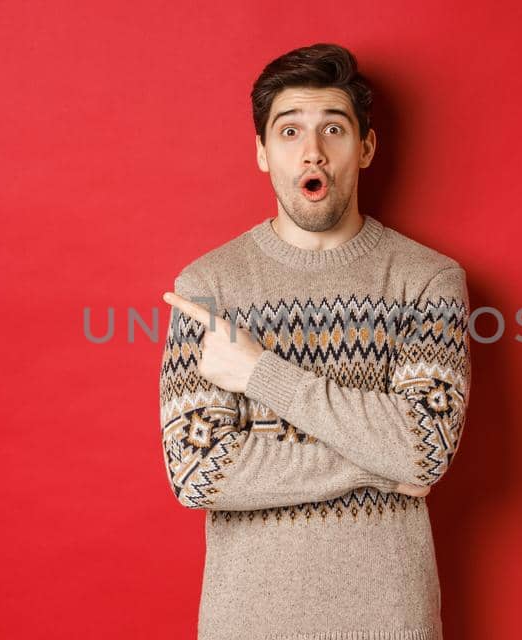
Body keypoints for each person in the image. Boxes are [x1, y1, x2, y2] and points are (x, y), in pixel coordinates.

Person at [158, 42, 472, 640]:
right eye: (289, 130)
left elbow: (423, 448)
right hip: (245, 623)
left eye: (334, 127)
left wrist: (258, 373)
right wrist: (382, 464)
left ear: (367, 147)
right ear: (261, 152)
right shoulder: (207, 286)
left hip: (390, 621)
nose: (313, 151)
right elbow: (198, 472)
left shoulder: (428, 279)